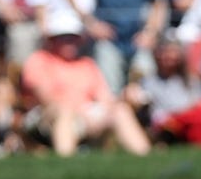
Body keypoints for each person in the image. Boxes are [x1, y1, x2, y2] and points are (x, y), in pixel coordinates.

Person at [20, 11, 151, 157]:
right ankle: (65, 162)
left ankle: (145, 158)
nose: (69, 42)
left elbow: (105, 98)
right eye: (64, 38)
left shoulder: (87, 64)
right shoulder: (39, 60)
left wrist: (116, 103)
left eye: (73, 38)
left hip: (86, 116)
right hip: (45, 117)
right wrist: (82, 113)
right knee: (64, 111)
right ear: (52, 40)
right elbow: (47, 99)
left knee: (120, 110)